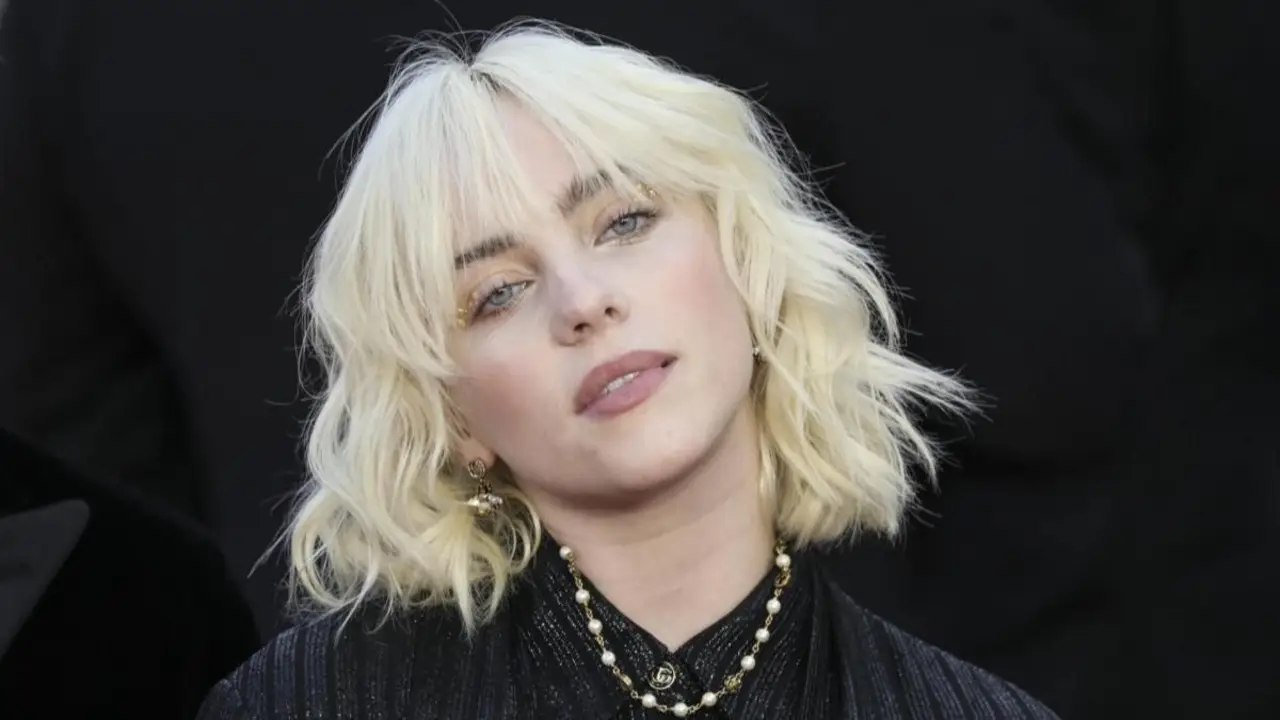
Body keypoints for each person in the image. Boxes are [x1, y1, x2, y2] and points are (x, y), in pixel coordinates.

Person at [197, 24, 1059, 719]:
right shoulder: (303, 705)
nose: (583, 301)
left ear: (747, 263)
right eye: (498, 293)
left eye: (624, 223)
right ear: (453, 419)